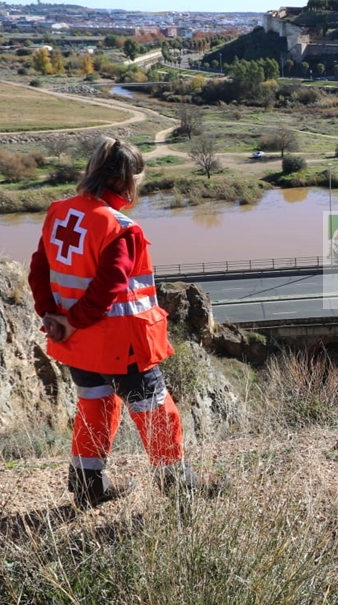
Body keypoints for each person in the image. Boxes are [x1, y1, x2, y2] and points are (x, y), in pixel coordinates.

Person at [28, 137, 219, 508]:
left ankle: (88, 486)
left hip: (78, 346)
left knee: (94, 407)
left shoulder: (60, 212)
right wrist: (73, 320)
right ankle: (180, 487)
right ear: (128, 181)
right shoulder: (121, 228)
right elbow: (109, 289)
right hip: (123, 346)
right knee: (155, 410)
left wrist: (53, 316)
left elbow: (39, 268)